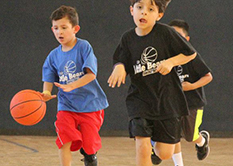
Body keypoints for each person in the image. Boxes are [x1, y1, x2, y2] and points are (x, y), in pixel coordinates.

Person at [107, 0, 197, 165]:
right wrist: (119, 66)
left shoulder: (166, 32)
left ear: (159, 15)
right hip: (140, 100)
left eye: (150, 9)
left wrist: (170, 62)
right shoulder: (127, 38)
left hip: (167, 101)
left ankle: (155, 140)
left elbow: (190, 53)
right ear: (131, 10)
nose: (144, 12)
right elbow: (121, 59)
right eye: (139, 7)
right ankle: (147, 140)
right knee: (142, 144)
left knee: (164, 153)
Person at [41, 5, 109, 166]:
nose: (60, 32)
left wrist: (72, 85)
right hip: (67, 106)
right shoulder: (53, 55)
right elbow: (48, 77)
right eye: (56, 28)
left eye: (64, 27)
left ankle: (89, 155)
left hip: (90, 104)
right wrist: (45, 92)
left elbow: (91, 75)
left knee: (89, 145)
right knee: (64, 138)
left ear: (75, 29)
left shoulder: (84, 47)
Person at [151, 19, 213, 166]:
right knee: (174, 135)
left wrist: (192, 86)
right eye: (171, 35)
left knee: (190, 136)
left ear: (186, 40)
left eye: (178, 36)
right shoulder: (163, 57)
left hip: (192, 103)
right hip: (172, 103)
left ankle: (202, 140)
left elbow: (208, 76)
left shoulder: (192, 56)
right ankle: (178, 163)